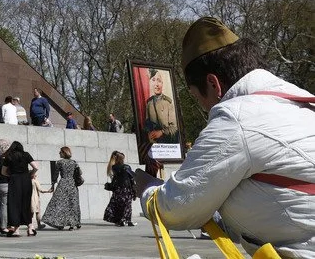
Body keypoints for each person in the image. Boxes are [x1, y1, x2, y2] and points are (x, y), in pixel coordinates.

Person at [137, 17, 315, 257]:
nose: (204, 107)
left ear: (213, 84)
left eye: (198, 97)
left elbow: (177, 207)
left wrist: (148, 191)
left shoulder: (237, 117)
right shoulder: (303, 102)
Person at [1, 141, 38, 237]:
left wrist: (12, 175)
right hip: (26, 180)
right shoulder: (26, 155)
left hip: (14, 180)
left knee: (14, 204)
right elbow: (35, 167)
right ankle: (30, 228)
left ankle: (16, 229)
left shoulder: (9, 156)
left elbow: (3, 172)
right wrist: (31, 173)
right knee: (26, 203)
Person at [42, 146, 81, 230]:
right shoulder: (74, 162)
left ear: (64, 152)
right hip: (72, 184)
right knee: (73, 203)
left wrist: (52, 185)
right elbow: (79, 173)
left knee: (58, 203)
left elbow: (55, 175)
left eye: (60, 152)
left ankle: (60, 223)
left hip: (63, 184)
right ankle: (74, 223)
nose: (59, 153)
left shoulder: (59, 162)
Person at [144, 69, 179, 143]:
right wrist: (149, 132)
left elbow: (174, 127)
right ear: (150, 83)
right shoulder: (149, 103)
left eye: (159, 81)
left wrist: (162, 132)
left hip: (168, 142)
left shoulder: (168, 102)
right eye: (153, 80)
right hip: (154, 143)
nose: (156, 84)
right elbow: (147, 123)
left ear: (162, 83)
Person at [104, 151, 136, 227]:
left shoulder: (113, 167)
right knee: (127, 205)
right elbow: (131, 179)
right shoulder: (127, 167)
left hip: (118, 189)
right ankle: (127, 220)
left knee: (117, 205)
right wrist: (134, 190)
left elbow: (114, 179)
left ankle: (120, 220)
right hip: (126, 189)